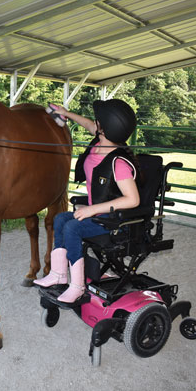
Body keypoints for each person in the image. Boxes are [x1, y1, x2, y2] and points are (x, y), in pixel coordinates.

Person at [34, 99, 140, 304]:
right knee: (60, 219)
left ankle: (77, 286)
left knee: (73, 228)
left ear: (105, 128)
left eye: (98, 122)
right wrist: (67, 113)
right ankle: (59, 274)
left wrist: (92, 209)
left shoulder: (118, 162)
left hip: (113, 222)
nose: (95, 123)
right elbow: (88, 124)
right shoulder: (101, 141)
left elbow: (133, 199)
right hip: (98, 214)